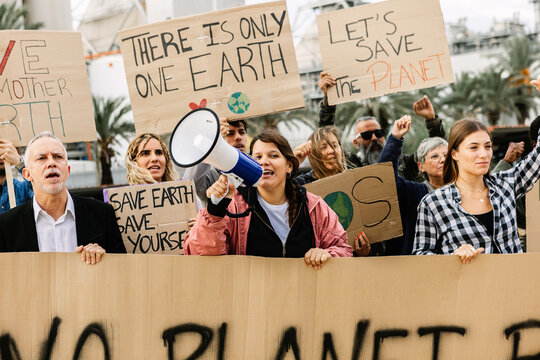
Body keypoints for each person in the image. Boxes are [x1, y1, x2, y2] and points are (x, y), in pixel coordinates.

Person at [184, 130, 352, 268]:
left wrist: (328, 254)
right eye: (257, 157)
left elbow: (343, 249)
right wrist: (214, 213)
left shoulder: (313, 206)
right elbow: (201, 258)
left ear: (289, 166)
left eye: (273, 156)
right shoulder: (234, 206)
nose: (264, 162)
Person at [413, 118, 540, 263]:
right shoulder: (433, 203)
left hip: (515, 283)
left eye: (488, 146)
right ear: (454, 154)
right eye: (474, 147)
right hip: (469, 285)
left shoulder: (505, 185)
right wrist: (451, 257)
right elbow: (420, 255)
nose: (484, 154)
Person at [0, 132, 126, 264]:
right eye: (41, 158)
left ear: (68, 170)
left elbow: (123, 270)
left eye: (58, 157)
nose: (51, 163)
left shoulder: (102, 214)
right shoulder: (7, 226)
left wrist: (105, 260)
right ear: (27, 174)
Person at [318, 71, 445, 170]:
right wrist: (328, 100)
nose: (374, 138)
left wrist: (430, 119)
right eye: (367, 135)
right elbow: (326, 138)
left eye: (378, 133)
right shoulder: (351, 166)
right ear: (356, 143)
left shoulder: (402, 164)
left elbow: (437, 148)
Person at [183, 118, 248, 207]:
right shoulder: (210, 174)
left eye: (241, 132)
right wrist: (212, 143)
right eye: (230, 133)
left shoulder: (259, 164)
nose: (238, 137)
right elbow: (188, 187)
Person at [0, 138, 33, 213]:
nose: (2, 153)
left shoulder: (23, 189)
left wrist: (19, 163)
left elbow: (41, 191)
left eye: (6, 150)